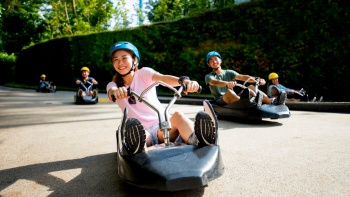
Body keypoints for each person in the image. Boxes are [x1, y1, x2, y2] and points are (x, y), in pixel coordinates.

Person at [106, 41, 217, 155]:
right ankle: (137, 150)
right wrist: (117, 92)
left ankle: (198, 140)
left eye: (124, 58)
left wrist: (183, 81)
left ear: (135, 60)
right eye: (116, 59)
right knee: (136, 132)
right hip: (141, 131)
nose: (120, 63)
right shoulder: (113, 85)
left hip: (161, 127)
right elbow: (111, 92)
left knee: (178, 115)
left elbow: (162, 78)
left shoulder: (143, 73)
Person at [204, 51, 286, 106]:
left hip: (235, 98)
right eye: (211, 61)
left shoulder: (229, 72)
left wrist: (257, 79)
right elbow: (216, 82)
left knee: (251, 87)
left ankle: (271, 101)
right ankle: (248, 105)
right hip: (221, 100)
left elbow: (243, 77)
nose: (214, 62)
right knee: (229, 92)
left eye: (216, 59)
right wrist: (227, 84)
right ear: (209, 64)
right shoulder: (208, 76)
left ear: (220, 60)